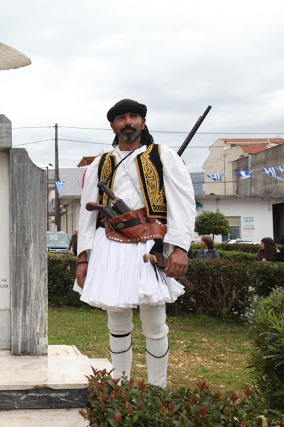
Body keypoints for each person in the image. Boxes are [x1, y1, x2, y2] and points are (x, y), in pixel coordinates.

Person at [74, 99, 195, 388]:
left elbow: (183, 204)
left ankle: (157, 390)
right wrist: (83, 257)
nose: (128, 122)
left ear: (142, 122)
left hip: (150, 245)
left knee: (154, 322)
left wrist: (180, 247)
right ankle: (120, 388)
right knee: (116, 321)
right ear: (113, 125)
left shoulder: (163, 156)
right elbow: (87, 214)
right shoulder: (99, 165)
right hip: (110, 245)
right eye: (121, 118)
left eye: (133, 117)